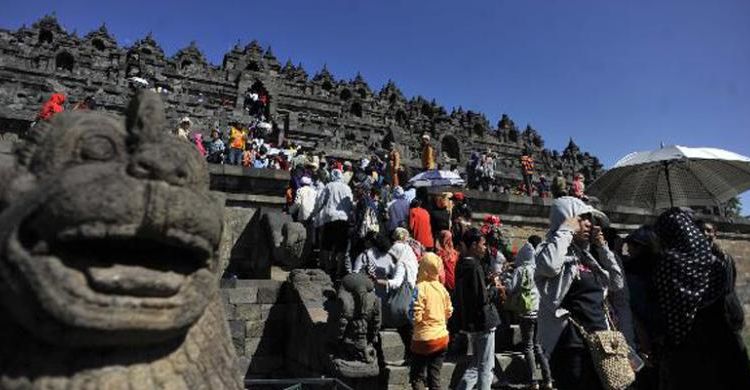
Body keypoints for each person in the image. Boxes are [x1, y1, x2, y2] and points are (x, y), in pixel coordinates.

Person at [653, 210, 750, 390]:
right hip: (721, 335)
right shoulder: (716, 260)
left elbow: (670, 308)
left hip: (688, 343)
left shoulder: (669, 261)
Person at [535, 196, 624, 390]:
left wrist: (602, 247)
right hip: (572, 344)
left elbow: (617, 283)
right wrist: (566, 229)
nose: (588, 224)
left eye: (589, 219)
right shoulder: (550, 251)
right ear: (566, 218)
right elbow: (549, 267)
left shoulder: (587, 256)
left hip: (601, 341)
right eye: (582, 218)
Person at [453, 228, 502, 390]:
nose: (484, 248)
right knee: (486, 366)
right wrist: (494, 287)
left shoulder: (461, 264)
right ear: (473, 245)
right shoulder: (474, 266)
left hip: (472, 321)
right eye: (482, 244)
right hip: (484, 320)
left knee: (476, 364)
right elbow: (482, 298)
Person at [506, 243, 553, 390]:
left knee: (528, 347)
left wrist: (507, 278)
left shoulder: (520, 270)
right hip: (539, 312)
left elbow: (510, 288)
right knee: (538, 346)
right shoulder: (539, 269)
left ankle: (534, 382)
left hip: (526, 312)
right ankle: (548, 379)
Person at [410, 252, 453, 390]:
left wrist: (415, 324)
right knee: (435, 376)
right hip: (441, 337)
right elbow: (449, 311)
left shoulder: (420, 287)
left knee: (417, 376)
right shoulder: (442, 289)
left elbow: (415, 313)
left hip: (423, 339)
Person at [377, 230, 419, 359]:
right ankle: (411, 355)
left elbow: (396, 283)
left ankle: (411, 356)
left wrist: (379, 281)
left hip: (402, 301)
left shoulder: (401, 263)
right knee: (409, 330)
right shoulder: (412, 260)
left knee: (404, 327)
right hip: (411, 296)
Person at [311, 169, 354, 279]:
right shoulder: (347, 187)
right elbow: (351, 203)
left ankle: (327, 269)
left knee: (326, 245)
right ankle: (339, 271)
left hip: (330, 218)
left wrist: (314, 213)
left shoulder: (329, 186)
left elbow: (321, 202)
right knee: (341, 247)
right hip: (344, 219)